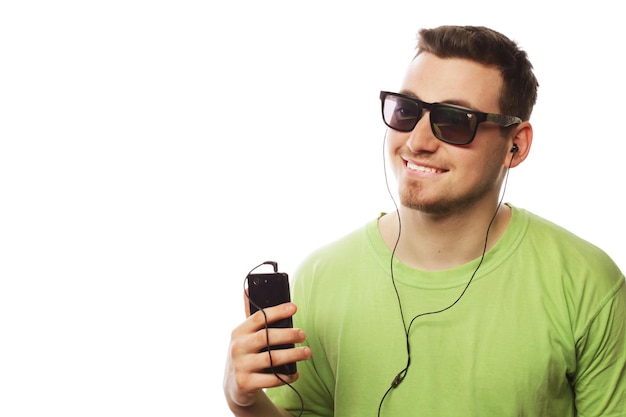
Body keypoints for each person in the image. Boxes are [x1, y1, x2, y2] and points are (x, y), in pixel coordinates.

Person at [223, 25, 626, 417]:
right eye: (406, 110)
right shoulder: (320, 278)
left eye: (454, 120)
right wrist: (245, 403)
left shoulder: (586, 283)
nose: (416, 141)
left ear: (515, 145)